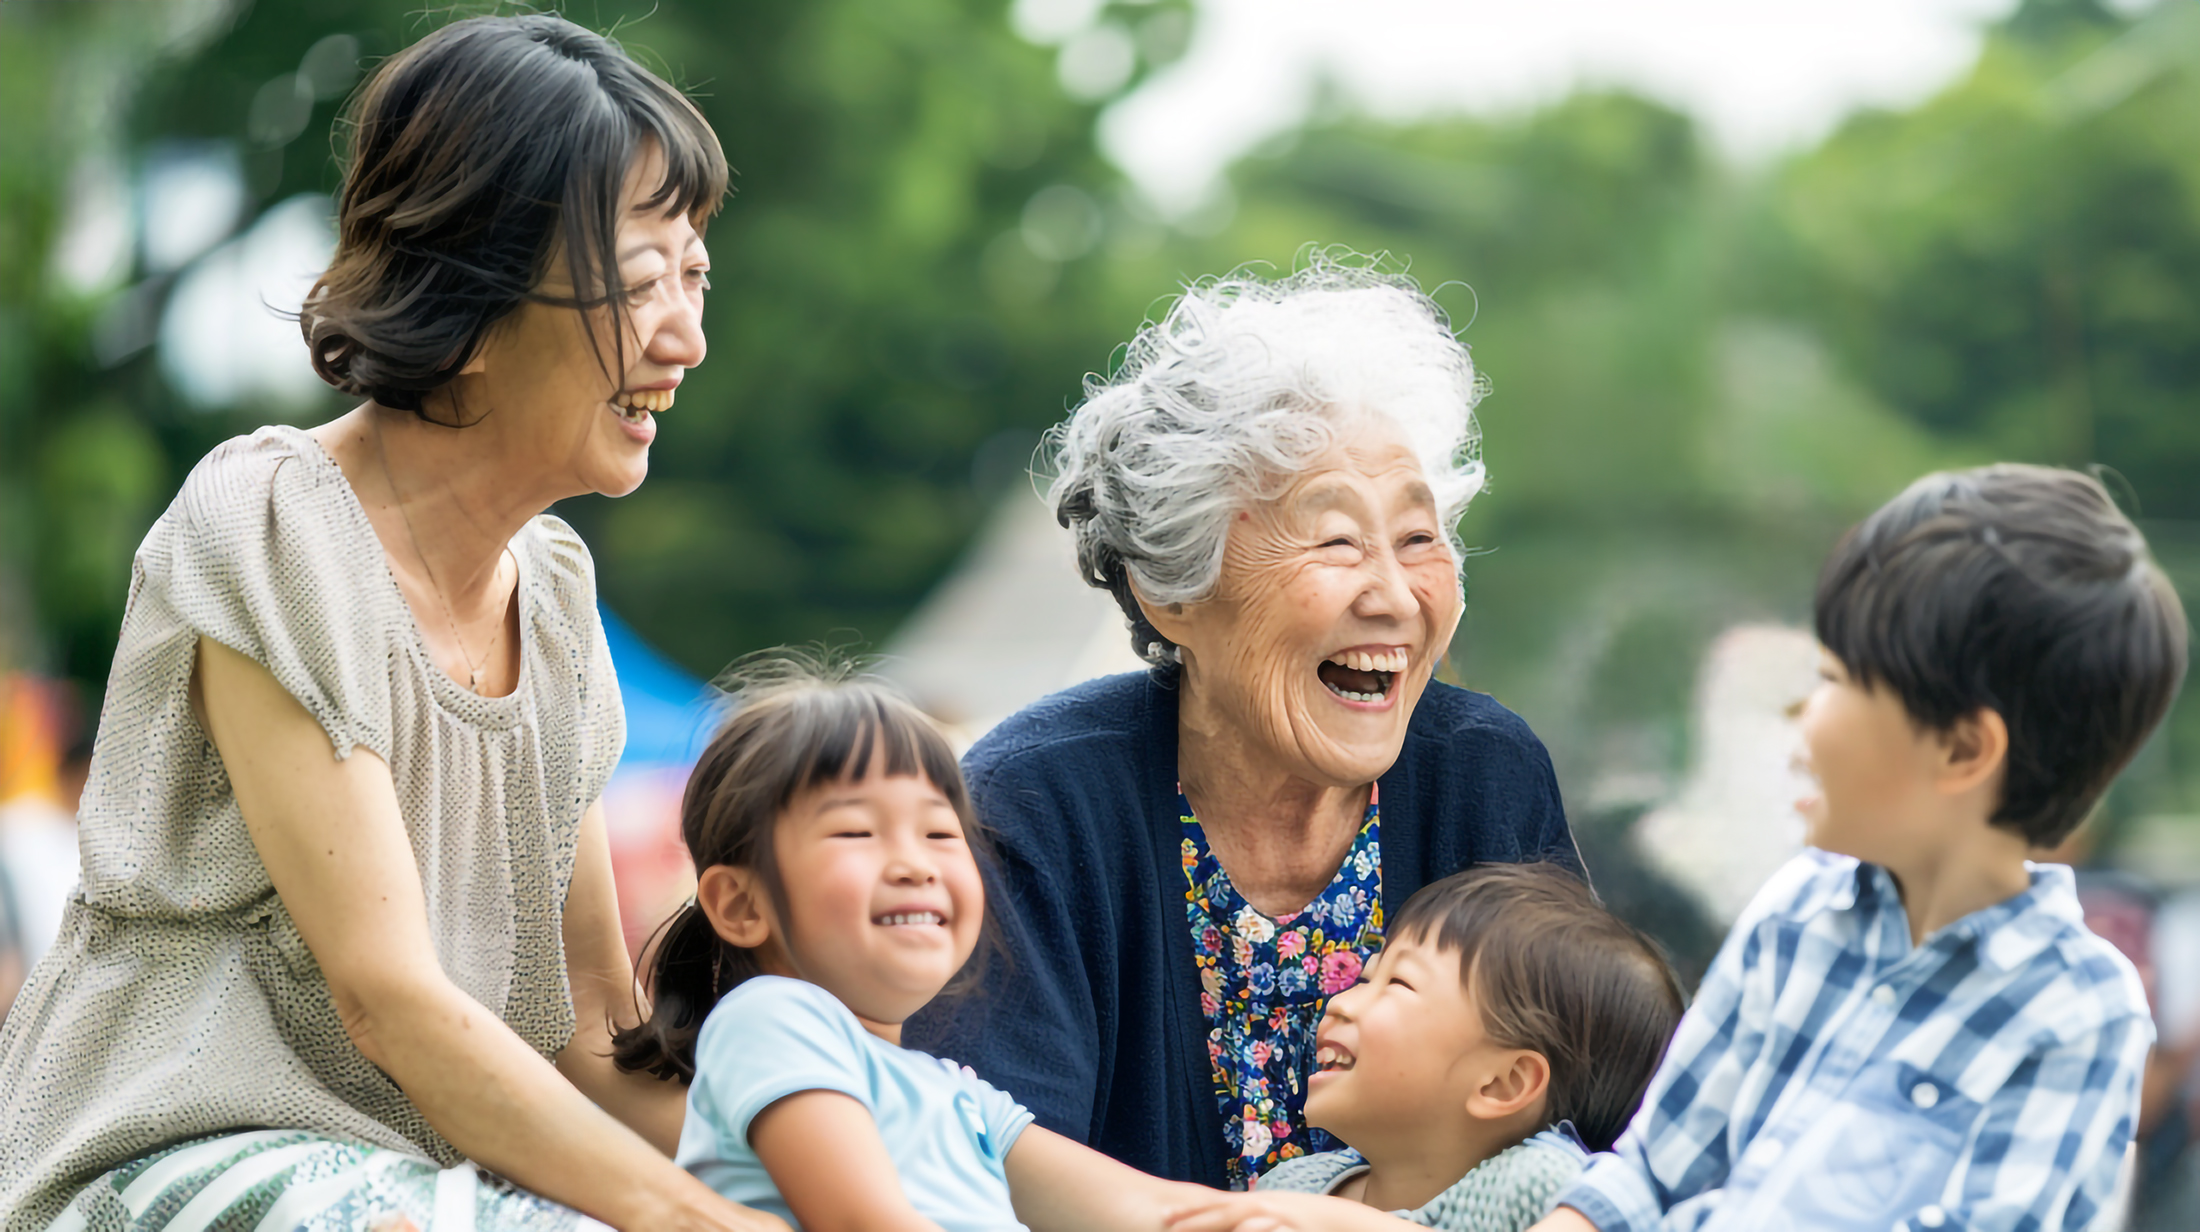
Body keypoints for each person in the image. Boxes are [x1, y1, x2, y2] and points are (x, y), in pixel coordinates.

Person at [0, 16, 778, 1231]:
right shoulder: (273, 520)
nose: (688, 337)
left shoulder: (559, 600)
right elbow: (389, 999)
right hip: (163, 1155)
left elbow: (587, 1031)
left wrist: (834, 1155)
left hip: (427, 1186)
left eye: (695, 277)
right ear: (466, 296)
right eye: (640, 283)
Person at [905, 257, 1581, 1191]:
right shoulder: (1035, 804)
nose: (1394, 594)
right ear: (1170, 590)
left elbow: (1591, 1112)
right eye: (1338, 540)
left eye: (1420, 538)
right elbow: (969, 1153)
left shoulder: (1484, 778)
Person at [1533, 465, 2190, 1232]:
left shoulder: (2077, 1015)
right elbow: (1652, 1170)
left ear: (1962, 749)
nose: (1804, 716)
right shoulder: (1792, 911)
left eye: (1833, 681)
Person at [613, 655, 1214, 1231]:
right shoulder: (772, 1018)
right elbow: (862, 1221)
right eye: (857, 831)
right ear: (743, 905)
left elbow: (1154, 1211)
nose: (914, 864)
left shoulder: (956, 1095)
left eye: (938, 831)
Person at [1163, 864, 1684, 1232]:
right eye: (1367, 977)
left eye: (1398, 985)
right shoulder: (1293, 1186)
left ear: (1503, 1084)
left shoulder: (1538, 1186)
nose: (1343, 1002)